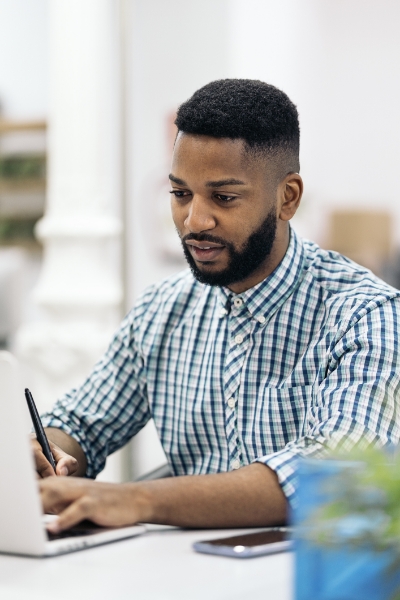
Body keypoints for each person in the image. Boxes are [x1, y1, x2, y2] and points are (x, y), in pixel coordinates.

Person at [36, 79, 400, 534]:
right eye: (181, 193)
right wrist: (46, 451)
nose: (195, 221)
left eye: (223, 198)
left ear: (287, 197)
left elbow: (333, 475)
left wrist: (138, 498)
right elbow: (82, 423)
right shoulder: (162, 310)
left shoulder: (365, 315)